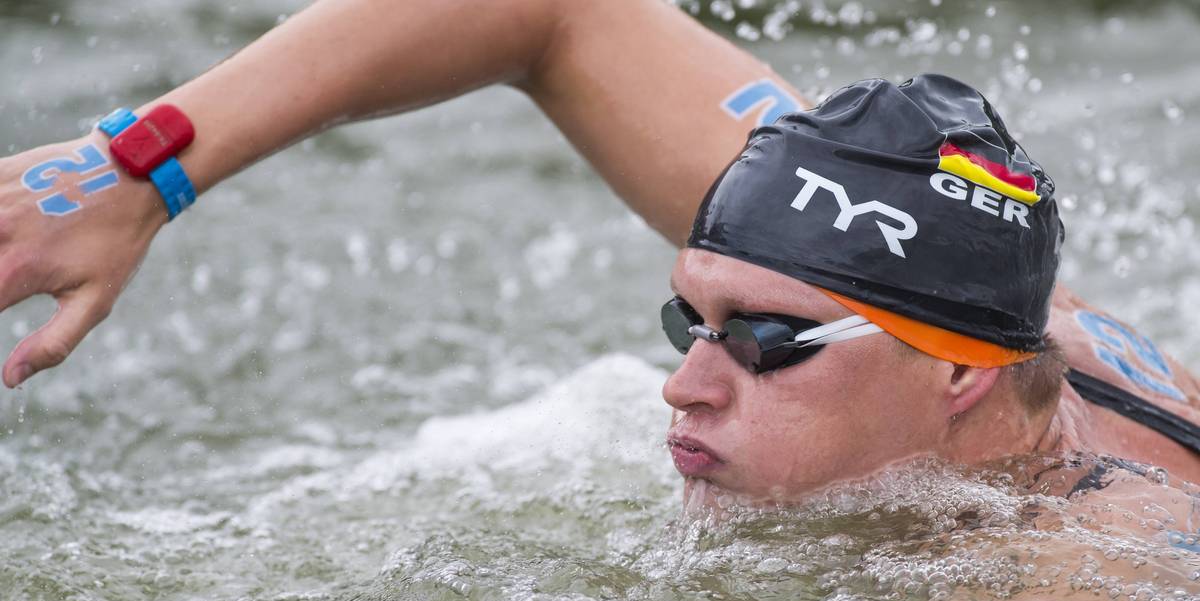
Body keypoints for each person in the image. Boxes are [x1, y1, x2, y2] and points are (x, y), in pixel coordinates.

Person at [0, 0, 1197, 510]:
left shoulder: (1098, 573)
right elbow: (557, 11)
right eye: (692, 320)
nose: (684, 383)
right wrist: (139, 164)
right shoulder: (949, 289)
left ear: (957, 376)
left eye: (767, 345)